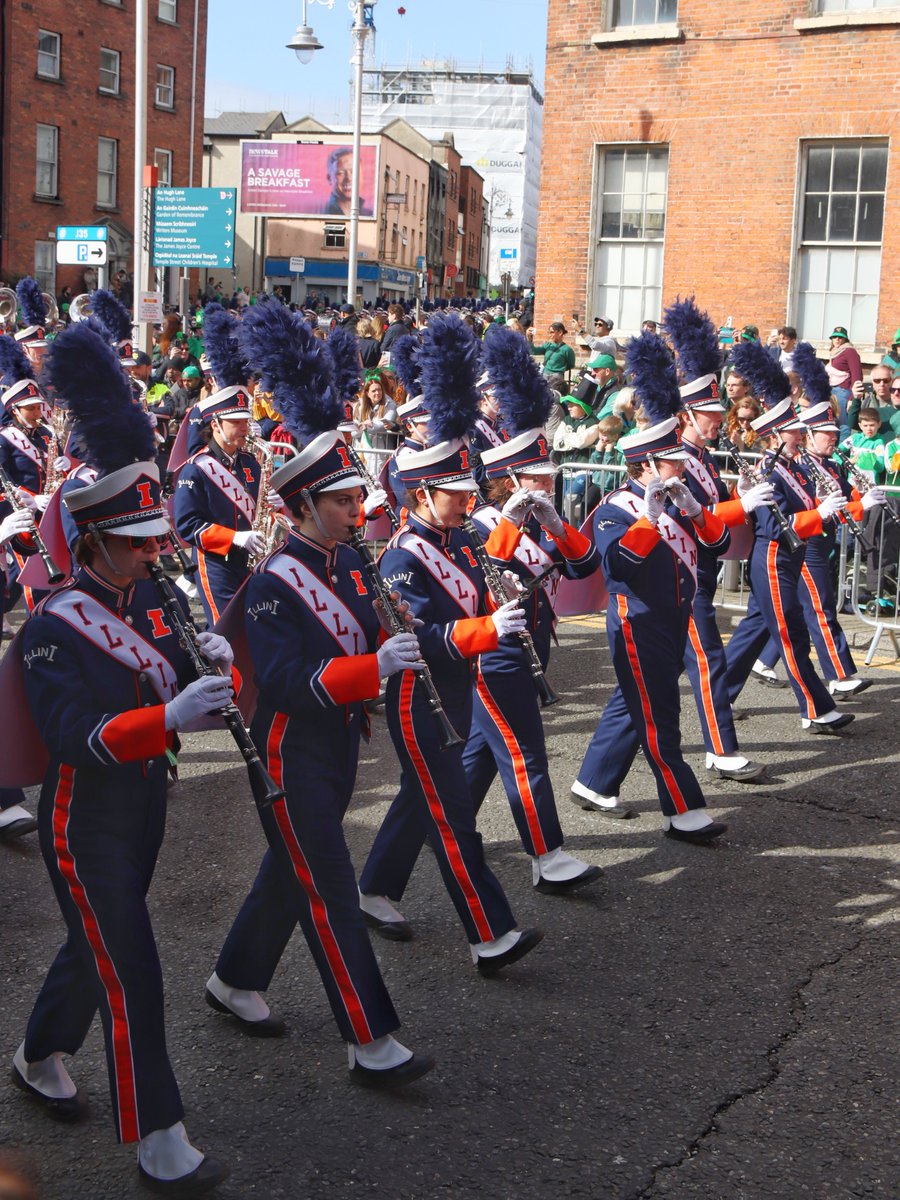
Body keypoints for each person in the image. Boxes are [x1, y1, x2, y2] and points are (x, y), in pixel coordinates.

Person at [11, 322, 232, 1196]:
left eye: (152, 540)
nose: (154, 552)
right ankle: (158, 1134)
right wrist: (167, 713)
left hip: (144, 805)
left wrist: (204, 662)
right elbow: (73, 737)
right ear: (97, 538)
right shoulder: (49, 627)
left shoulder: (147, 602)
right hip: (83, 817)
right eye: (138, 541)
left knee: (94, 943)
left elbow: (169, 670)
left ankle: (35, 1053)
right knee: (133, 964)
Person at [208, 410, 434, 1086]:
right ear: (303, 504)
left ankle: (234, 979)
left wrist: (395, 628)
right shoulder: (275, 582)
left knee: (292, 867)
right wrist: (376, 667)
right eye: (341, 501)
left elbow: (359, 632)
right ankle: (370, 1038)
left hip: (338, 742)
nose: (356, 510)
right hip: (288, 749)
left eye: (355, 498)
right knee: (332, 887)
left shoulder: (351, 565)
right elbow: (280, 681)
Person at [357, 316, 544, 971]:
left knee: (422, 800)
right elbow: (422, 637)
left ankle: (375, 886)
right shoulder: (402, 558)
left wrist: (516, 554)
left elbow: (495, 583)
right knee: (455, 820)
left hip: (459, 691)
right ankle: (489, 934)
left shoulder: (461, 539)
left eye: (469, 494)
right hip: (419, 699)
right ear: (426, 492)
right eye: (457, 496)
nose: (468, 504)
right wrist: (488, 629)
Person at [571, 332, 730, 839]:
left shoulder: (677, 497)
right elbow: (616, 568)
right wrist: (651, 517)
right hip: (636, 621)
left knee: (633, 700)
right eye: (671, 463)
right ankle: (682, 811)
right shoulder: (618, 508)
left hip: (674, 616)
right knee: (661, 715)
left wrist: (692, 511)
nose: (682, 467)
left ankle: (594, 782)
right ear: (645, 466)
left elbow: (719, 546)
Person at [465, 408, 602, 893]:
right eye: (537, 479)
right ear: (509, 481)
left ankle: (430, 832)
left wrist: (558, 526)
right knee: (526, 755)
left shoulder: (540, 522)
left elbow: (586, 567)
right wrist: (510, 521)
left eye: (547, 477)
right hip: (494, 653)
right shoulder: (480, 525)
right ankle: (548, 856)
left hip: (531, 647)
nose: (547, 485)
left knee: (477, 759)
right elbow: (483, 578)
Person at [724, 398, 857, 731]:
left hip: (790, 557)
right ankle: (815, 709)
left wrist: (827, 504)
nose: (800, 434)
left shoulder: (793, 467)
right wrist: (818, 513)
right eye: (793, 430)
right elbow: (771, 526)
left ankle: (717, 693)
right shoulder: (768, 470)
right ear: (776, 435)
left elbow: (808, 503)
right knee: (791, 634)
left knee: (757, 628)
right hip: (773, 557)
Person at [173, 388, 263, 625]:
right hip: (215, 563)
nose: (244, 428)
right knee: (227, 628)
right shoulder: (196, 468)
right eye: (236, 422)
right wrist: (233, 537)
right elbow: (187, 525)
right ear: (216, 425)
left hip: (250, 558)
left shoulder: (252, 465)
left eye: (246, 421)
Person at [825, 325, 862, 439]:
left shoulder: (849, 351)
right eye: (834, 337)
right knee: (833, 422)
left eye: (840, 337)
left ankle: (842, 451)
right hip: (832, 390)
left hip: (843, 391)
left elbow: (857, 375)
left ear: (845, 339)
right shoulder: (835, 352)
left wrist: (852, 398)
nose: (837, 339)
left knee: (843, 425)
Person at [841, 409, 886, 485]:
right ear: (860, 426)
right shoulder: (855, 438)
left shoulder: (879, 442)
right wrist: (846, 461)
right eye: (865, 425)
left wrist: (868, 459)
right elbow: (836, 451)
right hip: (853, 483)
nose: (869, 429)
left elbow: (880, 467)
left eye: (872, 425)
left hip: (871, 483)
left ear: (879, 424)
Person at [323, 147, 372, 218]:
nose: (349, 178)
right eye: (341, 173)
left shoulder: (369, 215)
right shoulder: (324, 214)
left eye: (354, 172)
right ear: (329, 179)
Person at [528, 321, 575, 390]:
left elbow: (571, 364)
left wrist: (560, 369)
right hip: (545, 375)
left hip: (557, 378)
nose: (550, 335)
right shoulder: (548, 346)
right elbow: (534, 351)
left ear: (560, 333)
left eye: (552, 332)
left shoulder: (567, 349)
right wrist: (529, 338)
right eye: (549, 332)